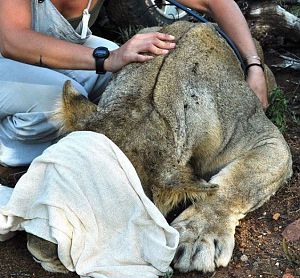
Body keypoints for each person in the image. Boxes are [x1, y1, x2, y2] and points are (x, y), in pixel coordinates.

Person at [0, 0, 267, 173]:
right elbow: (13, 41)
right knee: (64, 102)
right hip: (6, 54)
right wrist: (108, 59)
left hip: (45, 49)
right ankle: (14, 151)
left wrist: (253, 65)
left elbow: (213, 1)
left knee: (129, 75)